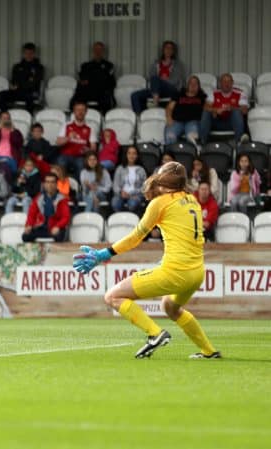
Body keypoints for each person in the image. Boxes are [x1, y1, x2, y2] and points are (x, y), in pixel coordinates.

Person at [73, 161, 220, 359]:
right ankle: (209, 351)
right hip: (196, 273)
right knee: (170, 306)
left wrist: (103, 254)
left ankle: (155, 334)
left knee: (112, 296)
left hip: (175, 272)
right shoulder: (192, 199)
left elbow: (135, 238)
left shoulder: (160, 203)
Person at [131, 41, 187, 114]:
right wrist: (159, 80)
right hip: (156, 90)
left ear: (173, 51)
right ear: (163, 50)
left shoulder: (178, 64)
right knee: (135, 96)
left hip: (171, 90)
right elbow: (150, 77)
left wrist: (161, 80)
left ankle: (155, 104)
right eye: (167, 48)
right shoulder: (156, 63)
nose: (168, 50)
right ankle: (139, 117)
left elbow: (175, 81)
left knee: (156, 79)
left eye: (171, 48)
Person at [200, 73, 249, 145]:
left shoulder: (240, 93)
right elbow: (205, 107)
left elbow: (245, 111)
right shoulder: (214, 93)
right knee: (206, 112)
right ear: (220, 83)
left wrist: (232, 108)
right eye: (224, 81)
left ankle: (239, 143)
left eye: (229, 81)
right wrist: (215, 110)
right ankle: (202, 143)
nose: (227, 84)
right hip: (216, 122)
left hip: (232, 123)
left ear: (232, 83)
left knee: (236, 112)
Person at [22, 172, 70, 242]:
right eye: (47, 182)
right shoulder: (38, 198)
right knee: (25, 236)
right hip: (40, 228)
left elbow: (66, 217)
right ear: (44, 184)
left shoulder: (62, 199)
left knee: (59, 237)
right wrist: (29, 225)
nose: (50, 185)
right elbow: (31, 215)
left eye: (52, 182)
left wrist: (58, 226)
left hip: (54, 228)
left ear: (56, 184)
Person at [0, 42, 44, 112]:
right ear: (23, 54)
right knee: (0, 95)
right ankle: (6, 115)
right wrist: (12, 86)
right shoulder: (17, 66)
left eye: (30, 53)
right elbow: (14, 81)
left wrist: (20, 84)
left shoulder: (39, 67)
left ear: (34, 54)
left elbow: (33, 83)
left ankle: (29, 119)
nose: (28, 55)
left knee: (29, 96)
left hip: (31, 92)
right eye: (26, 53)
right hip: (18, 92)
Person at [70, 41, 116, 113]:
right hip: (88, 91)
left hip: (102, 92)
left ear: (103, 51)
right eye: (96, 50)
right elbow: (83, 80)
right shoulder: (86, 66)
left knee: (107, 97)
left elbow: (111, 82)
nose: (98, 52)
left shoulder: (108, 66)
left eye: (100, 50)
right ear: (93, 51)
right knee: (77, 96)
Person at [56, 102, 97, 176]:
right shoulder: (66, 125)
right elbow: (58, 142)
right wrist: (68, 138)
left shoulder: (90, 128)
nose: (80, 112)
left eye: (82, 110)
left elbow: (94, 148)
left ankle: (79, 187)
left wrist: (88, 150)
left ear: (86, 112)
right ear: (74, 112)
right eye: (78, 110)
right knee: (60, 163)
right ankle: (61, 186)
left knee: (81, 166)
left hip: (80, 157)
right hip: (65, 155)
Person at [164, 75, 206, 145]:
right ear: (187, 85)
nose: (193, 85)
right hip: (176, 121)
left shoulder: (201, 97)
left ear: (199, 87)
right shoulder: (179, 94)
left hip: (193, 122)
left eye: (195, 83)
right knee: (170, 136)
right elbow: (169, 107)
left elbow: (207, 107)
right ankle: (170, 154)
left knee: (192, 138)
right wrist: (169, 118)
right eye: (191, 83)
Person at [0, 111, 24, 177]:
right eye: (3, 118)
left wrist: (13, 131)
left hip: (9, 158)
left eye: (7, 118)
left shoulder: (15, 131)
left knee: (4, 169)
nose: (5, 120)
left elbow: (19, 144)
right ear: (0, 119)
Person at [112, 146, 147, 213]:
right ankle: (120, 221)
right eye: (129, 153)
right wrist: (121, 192)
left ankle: (132, 222)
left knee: (132, 203)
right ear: (126, 155)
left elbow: (145, 187)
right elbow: (115, 185)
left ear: (137, 155)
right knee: (115, 203)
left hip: (136, 195)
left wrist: (132, 193)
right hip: (121, 194)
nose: (131, 156)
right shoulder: (120, 168)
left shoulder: (141, 169)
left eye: (134, 153)